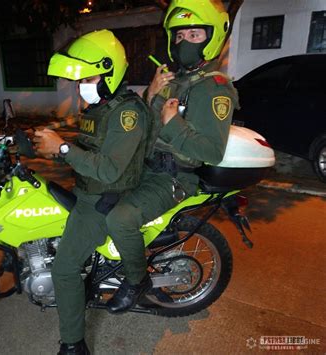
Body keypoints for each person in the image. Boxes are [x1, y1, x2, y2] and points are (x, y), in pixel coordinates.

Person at [104, 0, 240, 314]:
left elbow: (211, 151)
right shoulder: (173, 81)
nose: (184, 43)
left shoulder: (214, 89)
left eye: (194, 35)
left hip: (175, 177)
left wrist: (173, 122)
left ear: (211, 39)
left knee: (120, 218)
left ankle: (136, 281)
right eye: (179, 36)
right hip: (146, 167)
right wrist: (150, 95)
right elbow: (145, 130)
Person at [33, 29, 150, 355]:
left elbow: (110, 168)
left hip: (105, 197)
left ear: (110, 73)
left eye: (88, 76)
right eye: (79, 78)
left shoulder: (128, 113)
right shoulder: (99, 108)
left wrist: (64, 149)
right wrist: (53, 145)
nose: (81, 84)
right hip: (88, 189)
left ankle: (73, 346)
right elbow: (89, 148)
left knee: (64, 268)